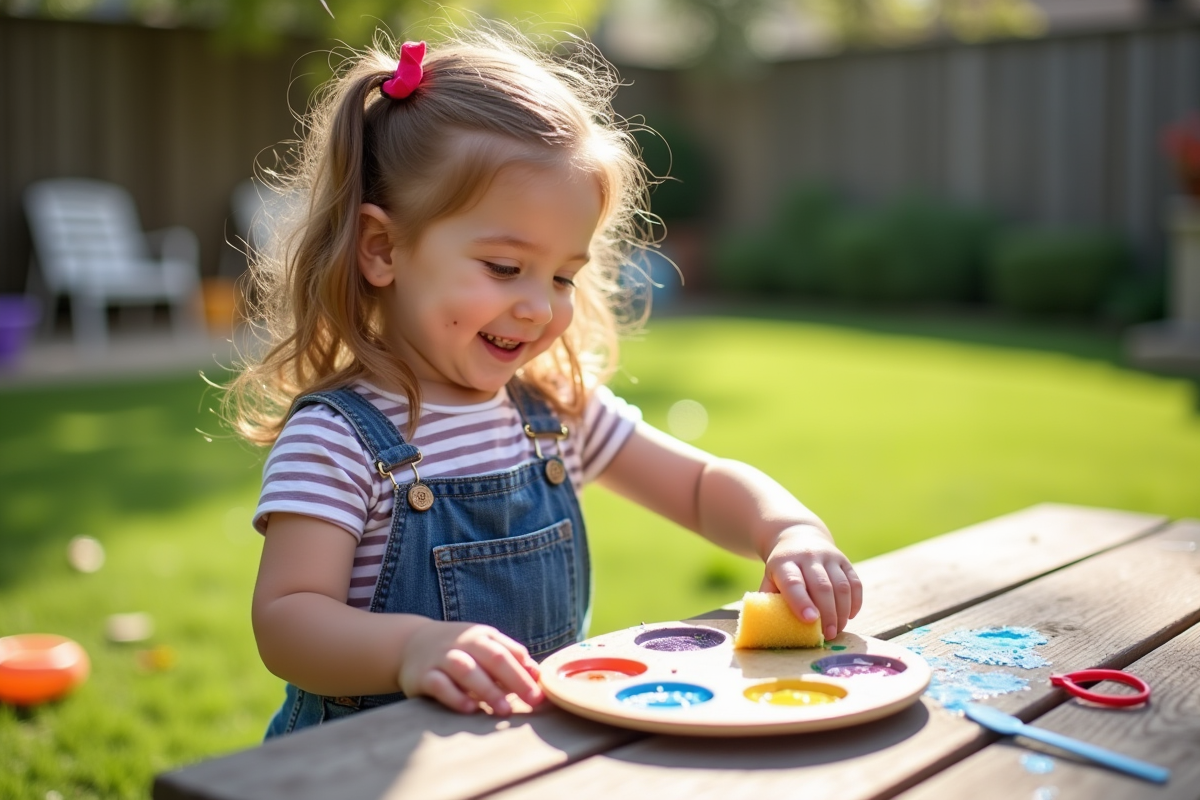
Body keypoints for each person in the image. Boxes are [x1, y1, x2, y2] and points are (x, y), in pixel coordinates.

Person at [225, 24, 862, 738]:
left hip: (521, 757)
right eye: (504, 267)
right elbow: (288, 621)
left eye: (563, 276)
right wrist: (411, 648)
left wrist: (788, 530)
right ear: (382, 248)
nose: (539, 306)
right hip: (355, 770)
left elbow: (698, 485)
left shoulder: (554, 412)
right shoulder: (336, 440)